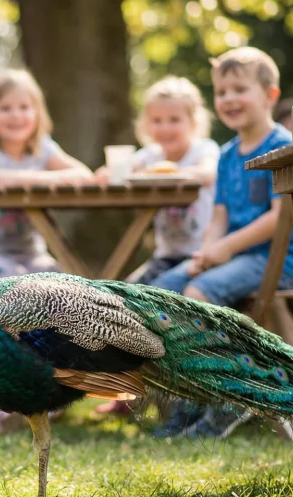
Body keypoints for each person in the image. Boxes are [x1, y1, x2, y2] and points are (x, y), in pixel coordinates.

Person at [151, 46, 293, 438]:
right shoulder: (228, 155)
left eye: (239, 89)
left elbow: (280, 216)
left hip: (274, 258)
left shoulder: (282, 145)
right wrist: (206, 252)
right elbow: (218, 216)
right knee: (159, 292)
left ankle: (228, 396)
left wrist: (226, 249)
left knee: (198, 292)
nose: (229, 99)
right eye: (221, 92)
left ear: (270, 95)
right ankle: (187, 397)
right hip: (232, 256)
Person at [92, 75, 220, 416]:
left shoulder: (204, 150)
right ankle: (127, 393)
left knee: (154, 306)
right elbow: (109, 172)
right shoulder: (150, 155)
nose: (165, 128)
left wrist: (169, 172)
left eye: (174, 120)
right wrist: (112, 171)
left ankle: (170, 395)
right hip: (165, 256)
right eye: (157, 120)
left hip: (199, 256)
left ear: (194, 122)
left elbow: (208, 173)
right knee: (118, 301)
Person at [0, 69, 93, 277]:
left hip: (31, 253)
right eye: (5, 108)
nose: (16, 116)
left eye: (24, 107)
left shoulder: (43, 148)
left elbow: (83, 174)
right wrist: (39, 178)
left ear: (37, 113)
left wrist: (52, 177)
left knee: (65, 285)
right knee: (17, 287)